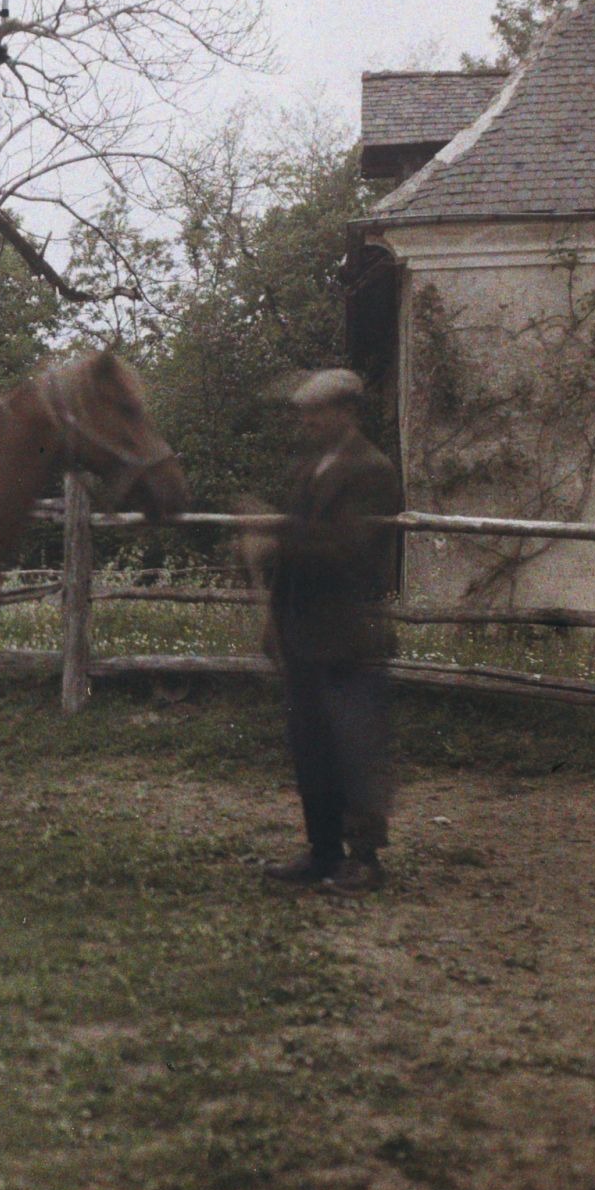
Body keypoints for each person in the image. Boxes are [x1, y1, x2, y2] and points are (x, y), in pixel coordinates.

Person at [239, 369, 404, 897]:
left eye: (317, 411)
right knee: (311, 747)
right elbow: (296, 551)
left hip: (348, 632)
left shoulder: (372, 470)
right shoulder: (310, 467)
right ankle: (323, 851)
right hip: (303, 630)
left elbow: (348, 549)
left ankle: (365, 860)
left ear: (347, 411)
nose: (307, 421)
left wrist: (274, 532)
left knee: (355, 747)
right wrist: (274, 618)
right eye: (304, 412)